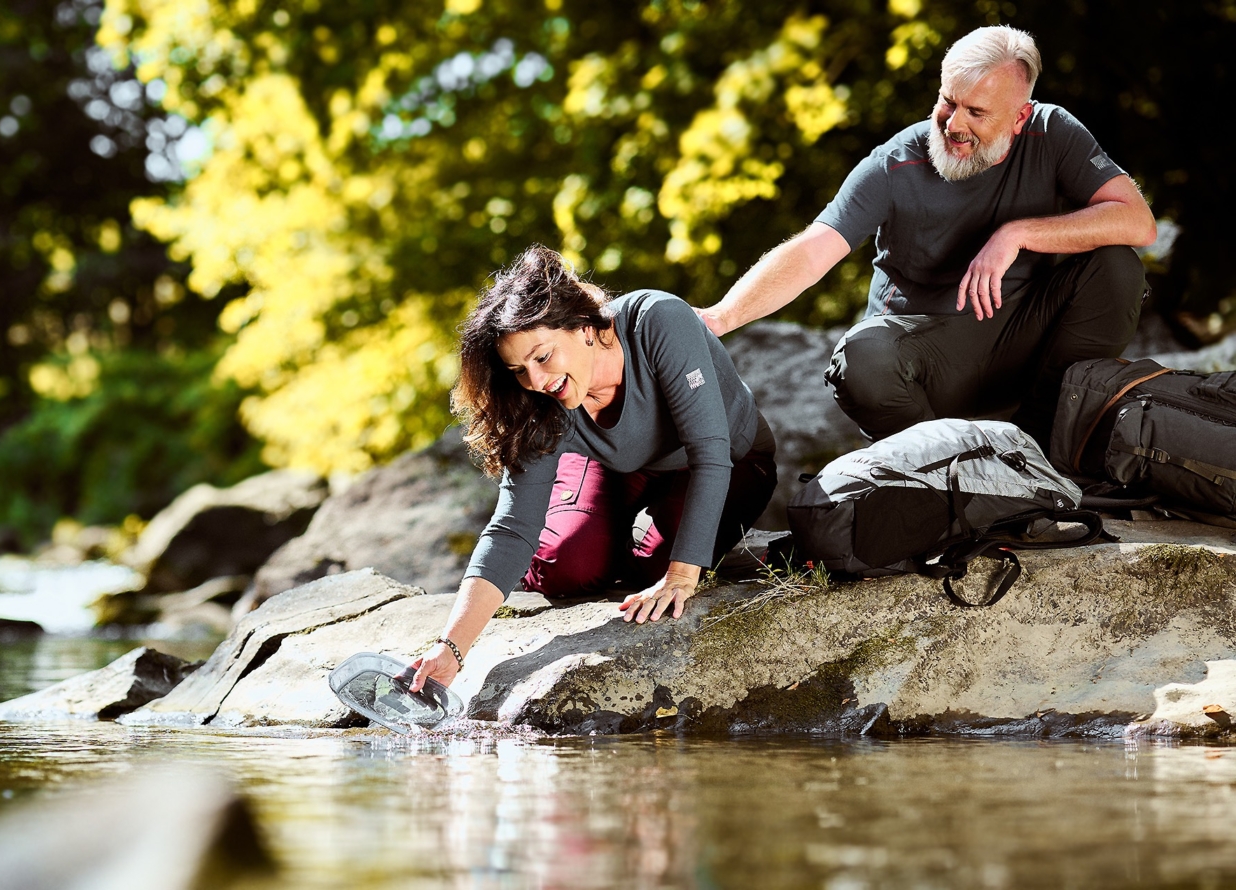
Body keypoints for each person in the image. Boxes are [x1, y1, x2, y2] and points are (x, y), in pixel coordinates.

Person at [696, 25, 1157, 450]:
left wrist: (1017, 233)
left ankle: (1044, 452)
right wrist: (722, 316)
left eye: (976, 112)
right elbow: (816, 248)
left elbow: (1137, 222)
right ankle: (946, 475)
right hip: (925, 354)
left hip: (1021, 336)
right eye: (947, 101)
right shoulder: (895, 162)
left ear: (1020, 118)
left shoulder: (1052, 133)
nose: (954, 124)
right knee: (861, 360)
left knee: (1117, 267)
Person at [408, 245, 777, 692]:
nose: (537, 381)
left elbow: (709, 452)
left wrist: (682, 573)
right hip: (618, 466)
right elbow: (511, 527)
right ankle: (604, 535)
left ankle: (652, 542)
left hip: (728, 459)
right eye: (518, 370)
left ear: (584, 328)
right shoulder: (538, 401)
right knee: (569, 566)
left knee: (660, 578)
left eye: (542, 357)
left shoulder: (658, 319)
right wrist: (451, 647)